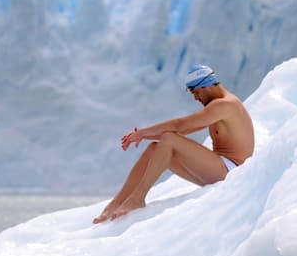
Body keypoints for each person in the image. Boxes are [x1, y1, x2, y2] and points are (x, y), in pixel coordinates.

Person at [93, 65, 254, 224]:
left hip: (232, 172)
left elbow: (179, 126)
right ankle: (117, 202)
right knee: (154, 149)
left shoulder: (225, 105)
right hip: (218, 169)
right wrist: (142, 137)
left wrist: (142, 132)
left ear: (206, 86)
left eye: (195, 92)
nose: (195, 98)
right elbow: (185, 130)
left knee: (169, 139)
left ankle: (138, 198)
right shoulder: (217, 106)